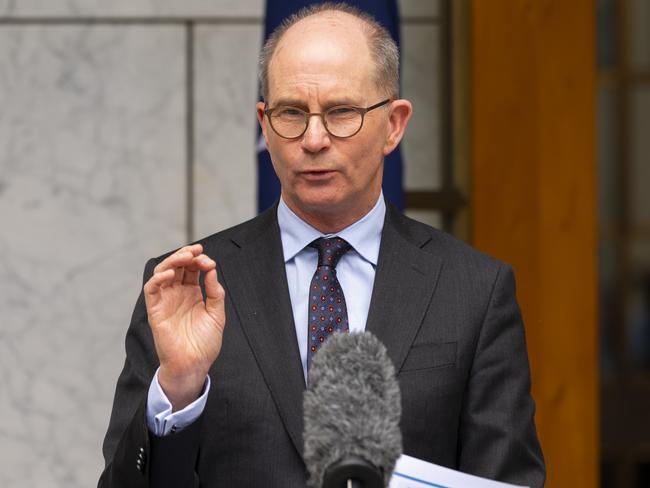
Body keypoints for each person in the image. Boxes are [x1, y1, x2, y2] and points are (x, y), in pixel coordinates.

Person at [98, 3, 545, 487]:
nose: (313, 139)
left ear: (394, 124)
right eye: (291, 113)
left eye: (341, 113)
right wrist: (179, 393)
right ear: (264, 125)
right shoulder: (189, 285)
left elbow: (508, 478)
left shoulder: (474, 291)